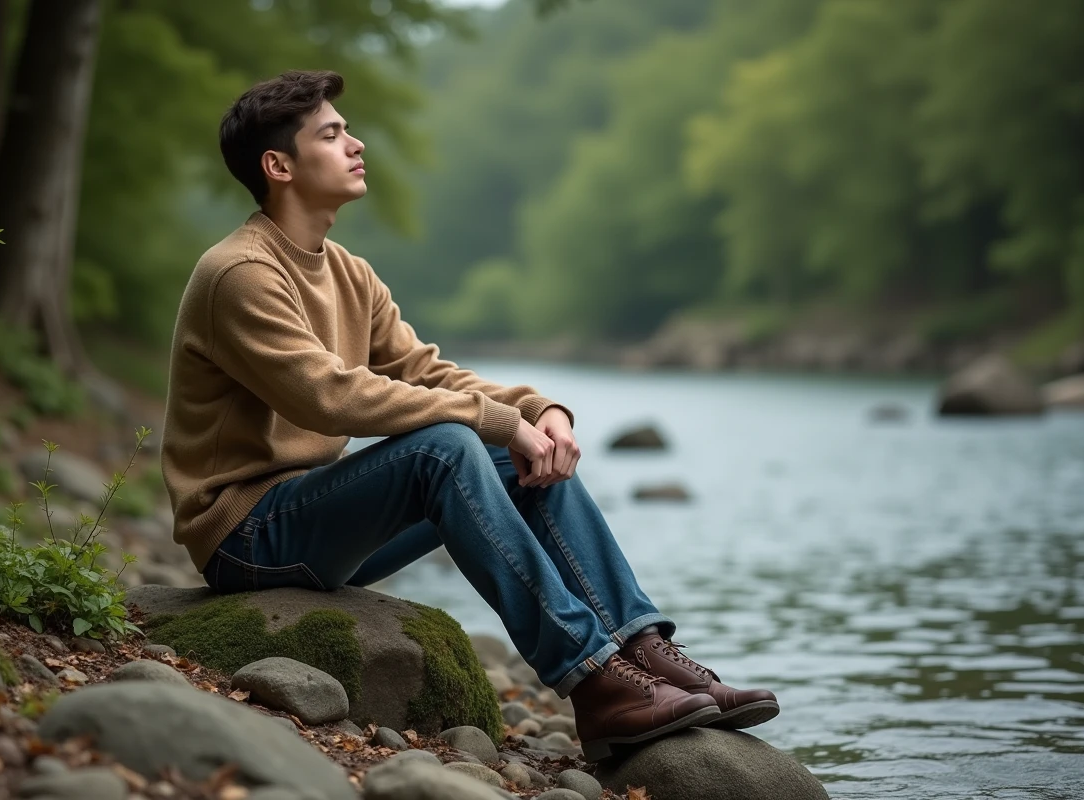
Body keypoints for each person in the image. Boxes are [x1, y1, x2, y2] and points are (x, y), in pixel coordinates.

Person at [160, 70, 778, 761]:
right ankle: (593, 679)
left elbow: (426, 371)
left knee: (504, 449)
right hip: (249, 533)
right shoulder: (242, 273)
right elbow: (329, 396)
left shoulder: (349, 272)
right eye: (332, 135)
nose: (357, 143)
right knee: (448, 445)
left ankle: (640, 649)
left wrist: (537, 411)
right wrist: (492, 420)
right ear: (279, 166)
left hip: (320, 518)